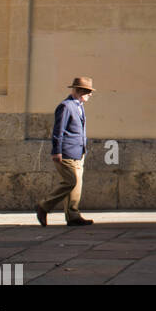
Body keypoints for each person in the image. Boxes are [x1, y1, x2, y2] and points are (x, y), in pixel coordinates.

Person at [36, 76, 95, 226]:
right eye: (88, 91)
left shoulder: (79, 106)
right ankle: (44, 206)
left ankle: (73, 215)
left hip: (79, 152)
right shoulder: (66, 106)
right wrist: (57, 151)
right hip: (67, 152)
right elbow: (58, 130)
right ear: (79, 90)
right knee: (71, 181)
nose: (90, 94)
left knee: (76, 185)